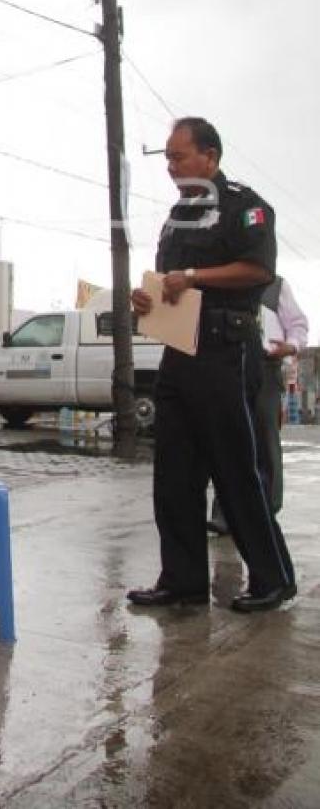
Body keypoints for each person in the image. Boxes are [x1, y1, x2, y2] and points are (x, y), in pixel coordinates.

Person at [127, 117, 295, 613]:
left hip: (226, 350)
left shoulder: (246, 207)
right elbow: (166, 280)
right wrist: (148, 296)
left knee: (236, 471)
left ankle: (272, 577)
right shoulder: (177, 216)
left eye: (179, 157)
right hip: (179, 352)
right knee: (174, 473)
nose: (172, 167)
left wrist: (194, 276)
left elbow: (259, 268)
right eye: (168, 158)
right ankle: (181, 580)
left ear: (210, 157)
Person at [209, 274, 309, 531]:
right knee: (228, 437)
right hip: (229, 363)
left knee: (264, 437)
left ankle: (266, 509)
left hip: (266, 365)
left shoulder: (276, 286)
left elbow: (298, 325)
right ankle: (225, 514)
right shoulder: (224, 280)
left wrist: (291, 346)